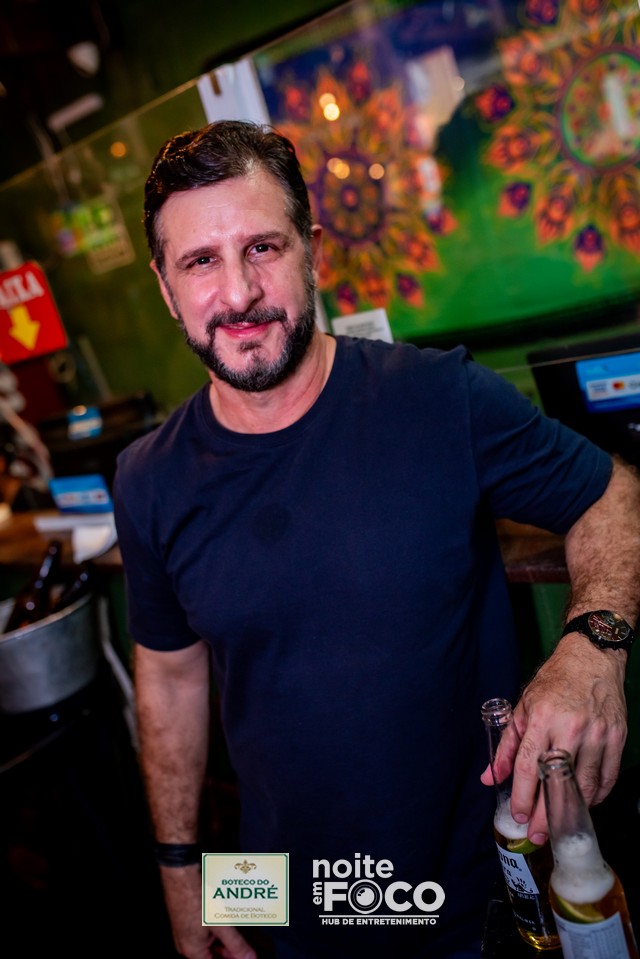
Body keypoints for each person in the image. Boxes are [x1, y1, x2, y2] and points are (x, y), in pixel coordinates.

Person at [113, 119, 640, 959]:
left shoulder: (439, 399)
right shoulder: (147, 478)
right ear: (166, 287)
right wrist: (185, 874)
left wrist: (591, 650)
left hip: (472, 894)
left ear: (313, 250)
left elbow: (612, 491)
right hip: (278, 890)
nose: (239, 294)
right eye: (200, 261)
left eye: (263, 248)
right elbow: (171, 678)